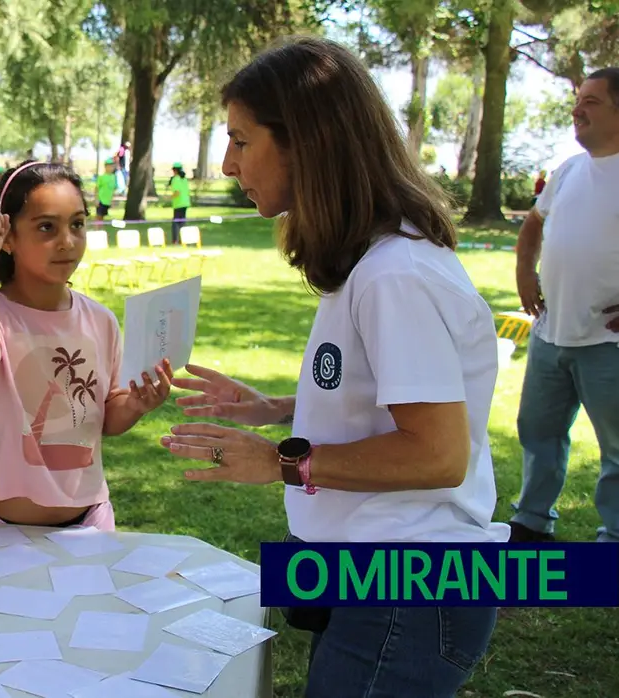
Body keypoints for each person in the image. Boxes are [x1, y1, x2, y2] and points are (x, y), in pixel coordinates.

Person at [159, 37, 506, 697]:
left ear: (305, 143)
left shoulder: (393, 275)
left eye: (241, 140)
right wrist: (283, 407)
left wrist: (282, 460)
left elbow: (437, 454)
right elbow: (391, 395)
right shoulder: (373, 264)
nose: (228, 164)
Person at [0, 164, 171, 529]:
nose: (67, 241)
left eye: (77, 224)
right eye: (47, 227)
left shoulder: (101, 321)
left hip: (90, 523)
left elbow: (105, 415)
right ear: (9, 236)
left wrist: (135, 405)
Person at [511, 67, 619, 544]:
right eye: (578, 99)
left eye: (592, 102)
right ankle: (532, 522)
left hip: (607, 340)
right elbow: (534, 225)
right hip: (551, 332)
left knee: (617, 447)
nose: (578, 109)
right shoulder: (569, 169)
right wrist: (523, 272)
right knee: (538, 431)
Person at [167, 162, 191, 244]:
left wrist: (169, 198)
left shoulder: (175, 179)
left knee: (176, 223)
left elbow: (177, 192)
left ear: (175, 170)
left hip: (178, 203)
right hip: (185, 203)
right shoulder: (184, 179)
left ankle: (175, 240)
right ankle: (183, 240)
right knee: (182, 222)